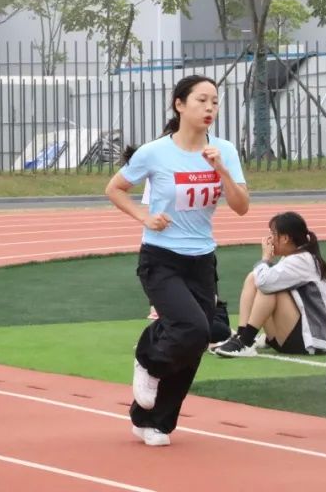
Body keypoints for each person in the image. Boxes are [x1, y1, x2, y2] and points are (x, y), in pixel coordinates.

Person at [105, 74, 249, 447]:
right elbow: (115, 188)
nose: (210, 108)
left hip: (202, 260)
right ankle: (148, 356)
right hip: (161, 258)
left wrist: (222, 170)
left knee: (196, 341)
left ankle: (153, 421)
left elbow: (241, 206)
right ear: (179, 105)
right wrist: (144, 216)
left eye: (215, 101)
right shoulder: (155, 152)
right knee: (192, 328)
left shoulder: (224, 150)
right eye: (201, 100)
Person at [213, 211, 326, 358]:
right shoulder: (293, 257)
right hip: (292, 336)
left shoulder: (302, 259)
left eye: (273, 234)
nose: (270, 239)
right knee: (253, 277)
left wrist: (266, 258)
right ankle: (242, 336)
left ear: (285, 238)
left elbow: (265, 283)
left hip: (310, 340)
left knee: (268, 288)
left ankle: (245, 341)